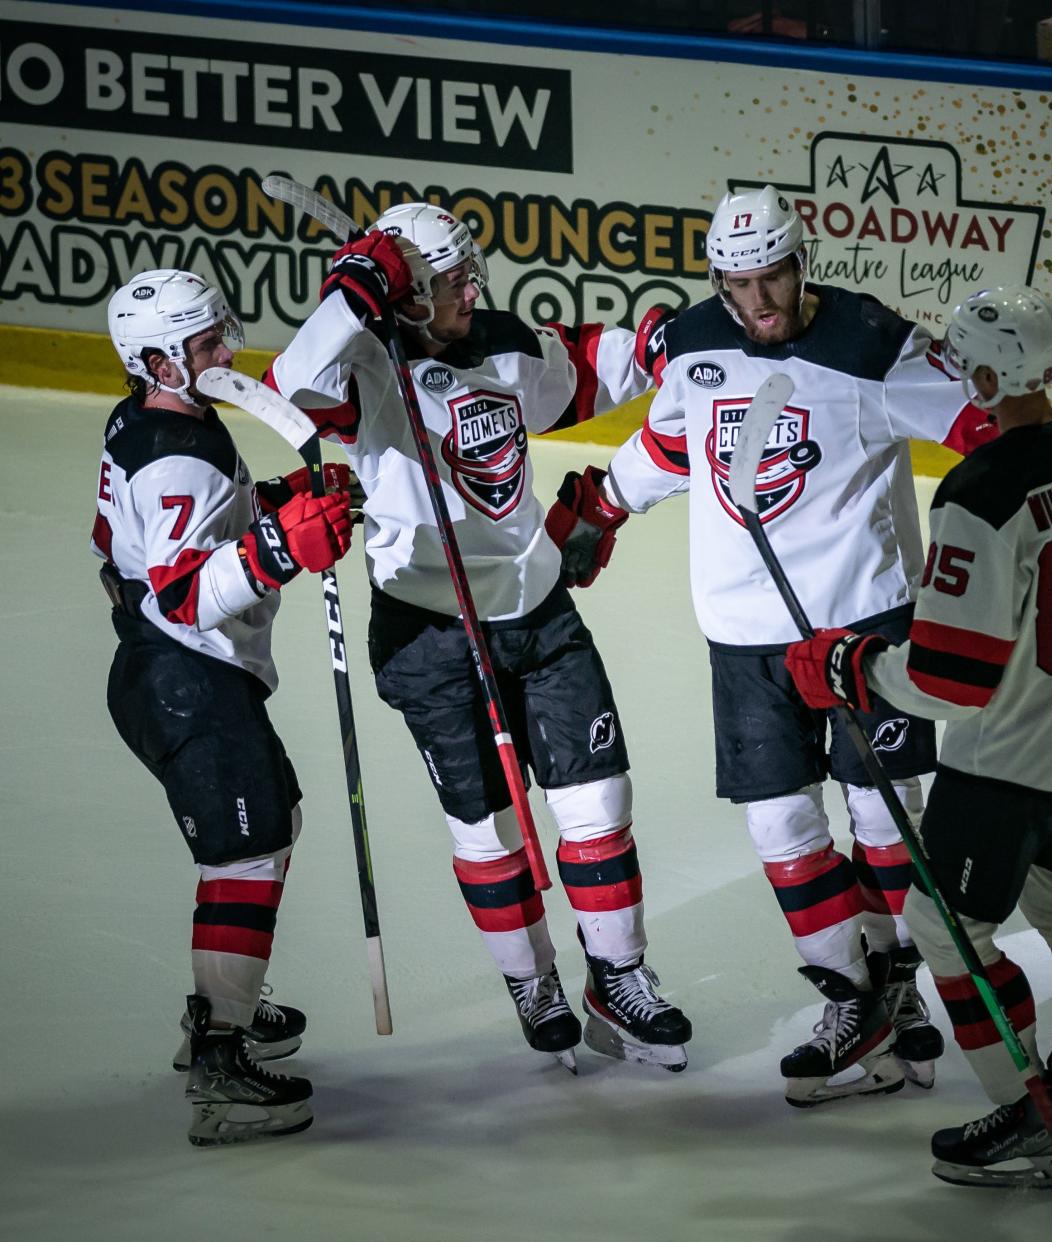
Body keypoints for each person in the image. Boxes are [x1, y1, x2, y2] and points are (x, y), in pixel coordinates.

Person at [567, 185, 996, 1105]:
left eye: (772, 279)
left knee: (883, 822)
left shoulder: (871, 345)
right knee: (781, 826)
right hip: (744, 636)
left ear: (802, 264)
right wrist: (603, 506)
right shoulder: (693, 343)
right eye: (738, 284)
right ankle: (858, 1000)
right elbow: (675, 442)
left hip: (863, 628)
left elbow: (984, 438)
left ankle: (898, 994)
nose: (758, 303)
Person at [269, 204, 692, 1073]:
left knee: (598, 808)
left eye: (472, 272)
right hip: (428, 634)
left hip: (536, 615)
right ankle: (531, 980)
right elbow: (290, 380)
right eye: (453, 279)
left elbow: (584, 368)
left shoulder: (499, 342)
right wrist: (357, 284)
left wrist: (661, 342)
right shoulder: (364, 365)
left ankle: (618, 978)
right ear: (409, 295)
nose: (474, 289)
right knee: (489, 830)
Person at [785, 285, 1052, 1187]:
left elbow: (948, 682)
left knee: (946, 929)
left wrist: (851, 668)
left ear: (978, 374)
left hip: (1014, 763)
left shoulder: (980, 490)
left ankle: (1027, 1111)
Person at [92, 269, 355, 1144]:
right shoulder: (175, 452)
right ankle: (219, 1065)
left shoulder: (159, 420)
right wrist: (283, 547)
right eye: (206, 343)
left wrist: (275, 505)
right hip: (183, 674)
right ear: (159, 360)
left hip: (178, 671)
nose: (226, 351)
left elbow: (135, 541)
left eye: (220, 331)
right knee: (249, 847)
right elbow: (179, 596)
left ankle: (218, 1005)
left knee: (267, 825)